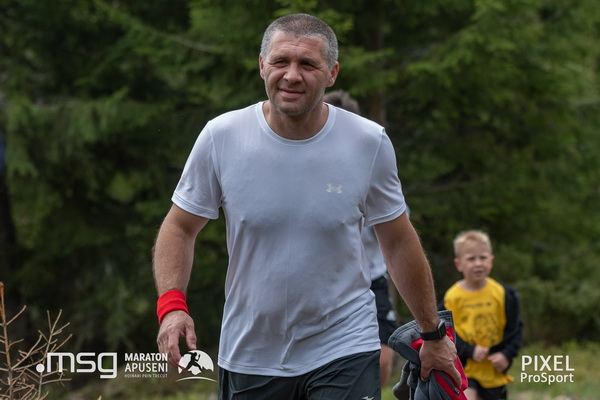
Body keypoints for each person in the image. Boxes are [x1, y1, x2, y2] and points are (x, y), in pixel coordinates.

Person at [153, 13, 460, 400]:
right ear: (262, 65)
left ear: (332, 73)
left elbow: (398, 241)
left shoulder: (367, 142)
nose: (292, 75)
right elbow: (180, 227)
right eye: (281, 61)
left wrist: (432, 334)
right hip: (251, 353)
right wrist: (172, 306)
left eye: (308, 64)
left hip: (345, 346)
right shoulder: (222, 136)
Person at [323, 89, 397, 387]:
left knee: (383, 360)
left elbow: (396, 235)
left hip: (371, 280)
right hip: (325, 283)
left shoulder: (369, 164)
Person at [440, 230, 523, 400]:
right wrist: (469, 350)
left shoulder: (504, 295)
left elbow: (516, 331)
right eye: (471, 259)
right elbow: (445, 335)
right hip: (463, 368)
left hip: (493, 371)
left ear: (491, 260)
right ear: (459, 264)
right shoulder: (452, 298)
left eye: (483, 258)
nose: (478, 263)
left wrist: (506, 354)